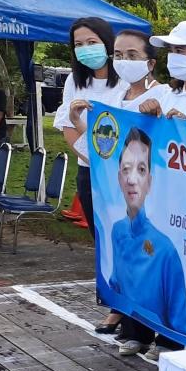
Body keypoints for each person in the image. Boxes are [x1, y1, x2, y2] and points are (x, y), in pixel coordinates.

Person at [54, 17, 126, 328]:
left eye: (92, 42)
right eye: (79, 44)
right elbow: (68, 126)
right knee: (102, 239)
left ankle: (131, 306)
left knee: (127, 238)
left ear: (107, 43)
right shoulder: (75, 81)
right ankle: (114, 303)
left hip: (125, 175)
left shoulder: (127, 80)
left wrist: (111, 164)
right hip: (91, 172)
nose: (86, 49)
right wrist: (96, 161)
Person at [110, 29, 172, 354]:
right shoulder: (114, 96)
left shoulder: (162, 95)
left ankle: (167, 335)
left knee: (154, 262)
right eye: (118, 55)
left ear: (150, 62)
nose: (124, 61)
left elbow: (171, 135)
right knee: (128, 260)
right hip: (123, 194)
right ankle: (134, 330)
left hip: (157, 195)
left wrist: (158, 113)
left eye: (132, 55)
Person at [108, 127, 186, 344]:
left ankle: (166, 341)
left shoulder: (165, 249)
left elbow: (180, 315)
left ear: (150, 182)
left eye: (141, 170)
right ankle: (134, 332)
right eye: (126, 169)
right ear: (119, 177)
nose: (132, 179)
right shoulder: (117, 231)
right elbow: (117, 283)